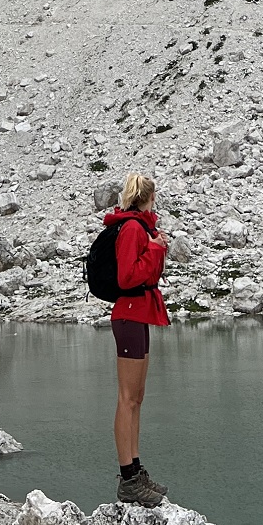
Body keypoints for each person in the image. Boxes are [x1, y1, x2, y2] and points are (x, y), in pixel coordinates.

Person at [102, 170, 170, 506]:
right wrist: (155, 251)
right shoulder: (131, 229)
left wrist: (156, 247)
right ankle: (127, 477)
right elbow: (127, 277)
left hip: (139, 315)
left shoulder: (143, 228)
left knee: (137, 398)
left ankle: (137, 468)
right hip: (128, 315)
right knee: (127, 398)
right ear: (148, 197)